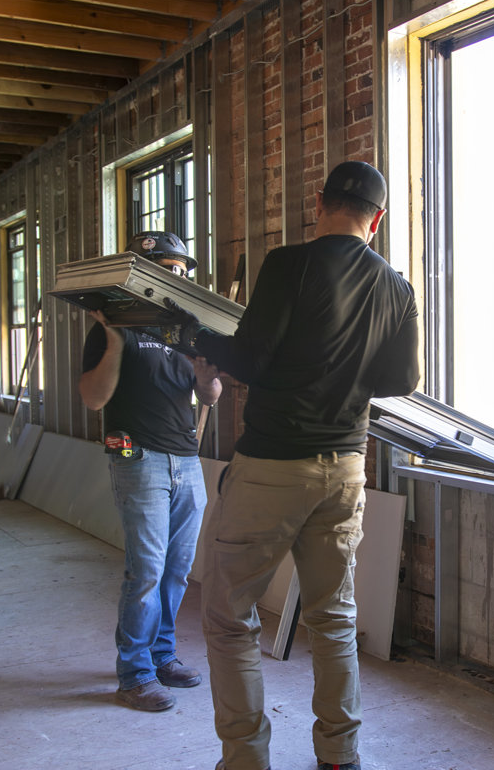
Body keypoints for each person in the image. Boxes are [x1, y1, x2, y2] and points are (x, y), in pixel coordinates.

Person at [163, 161, 419, 770]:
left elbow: (247, 360)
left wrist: (194, 336)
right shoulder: (398, 289)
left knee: (228, 617)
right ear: (376, 221)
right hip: (345, 471)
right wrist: (344, 378)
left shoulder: (288, 265)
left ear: (318, 202)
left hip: (272, 468)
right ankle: (340, 756)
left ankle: (247, 759)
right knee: (334, 618)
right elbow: (403, 379)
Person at [78, 231, 223, 712]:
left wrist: (206, 378)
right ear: (145, 272)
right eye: (168, 267)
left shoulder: (185, 332)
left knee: (178, 571)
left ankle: (162, 657)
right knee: (146, 570)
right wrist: (117, 344)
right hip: (137, 458)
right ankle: (134, 675)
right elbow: (93, 399)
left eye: (182, 270)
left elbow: (210, 395)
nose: (176, 276)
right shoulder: (110, 327)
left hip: (186, 460)